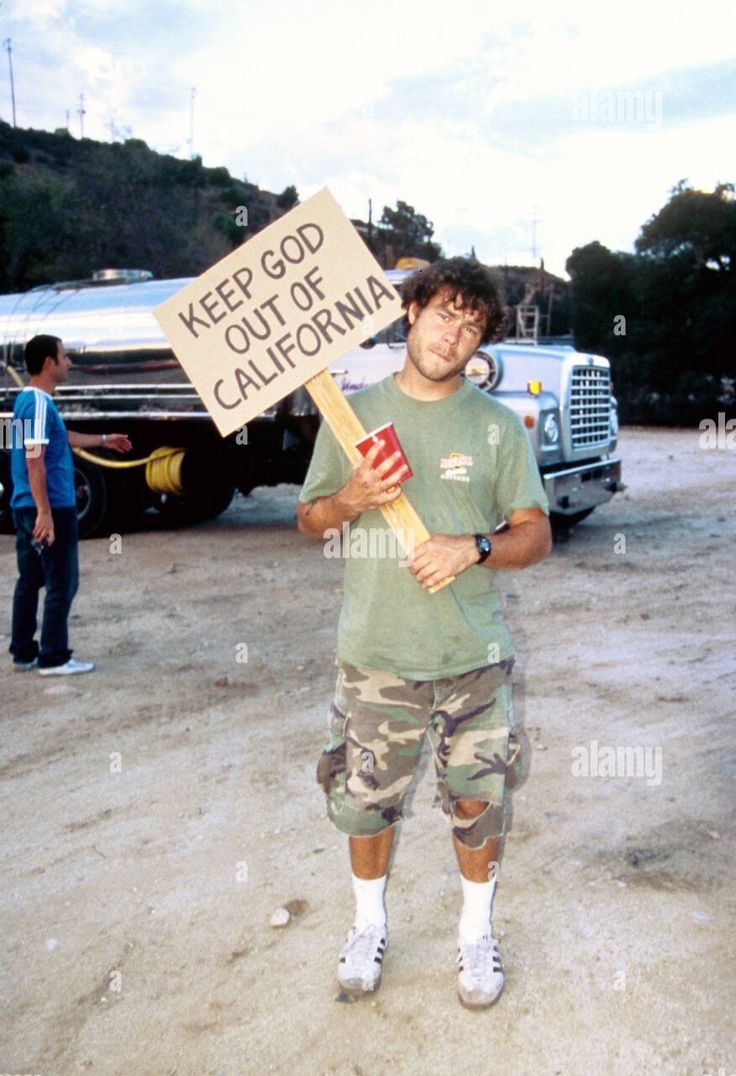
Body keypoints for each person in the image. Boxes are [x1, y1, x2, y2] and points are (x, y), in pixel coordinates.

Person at [297, 258, 552, 1008]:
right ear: (411, 313)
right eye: (445, 313)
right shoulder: (352, 414)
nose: (455, 334)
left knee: (478, 801)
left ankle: (476, 936)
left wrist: (472, 545)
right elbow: (310, 519)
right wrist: (350, 497)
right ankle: (367, 924)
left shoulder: (497, 428)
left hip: (474, 659)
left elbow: (535, 537)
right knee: (366, 799)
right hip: (376, 656)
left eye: (472, 326)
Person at [9, 334, 132, 675]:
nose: (69, 363)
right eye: (64, 357)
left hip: (27, 505)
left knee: (30, 579)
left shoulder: (30, 401)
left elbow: (60, 438)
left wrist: (105, 440)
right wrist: (46, 512)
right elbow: (35, 461)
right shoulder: (36, 404)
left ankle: (23, 652)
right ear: (48, 363)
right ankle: (53, 657)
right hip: (49, 507)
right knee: (62, 582)